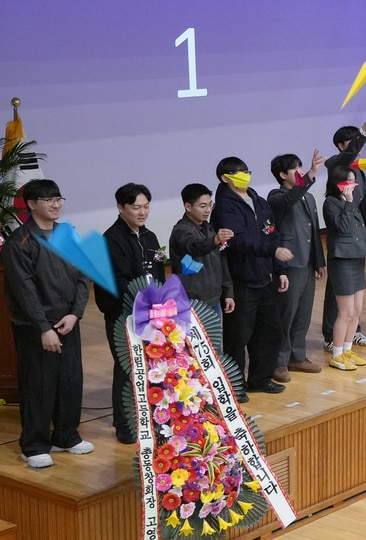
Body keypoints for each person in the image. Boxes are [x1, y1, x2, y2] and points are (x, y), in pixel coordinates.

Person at [4, 180, 91, 469]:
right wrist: (44, 327)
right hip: (35, 327)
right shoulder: (20, 243)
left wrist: (75, 314)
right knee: (38, 384)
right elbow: (24, 291)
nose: (56, 204)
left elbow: (82, 276)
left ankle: (66, 436)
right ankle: (35, 445)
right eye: (48, 200)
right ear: (31, 204)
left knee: (70, 381)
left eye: (58, 199)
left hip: (68, 322)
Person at [213, 157, 292, 396]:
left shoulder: (258, 200)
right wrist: (271, 250)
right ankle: (235, 385)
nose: (245, 176)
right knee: (238, 336)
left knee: (269, 331)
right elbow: (239, 241)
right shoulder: (225, 207)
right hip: (242, 279)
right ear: (225, 178)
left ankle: (260, 378)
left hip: (265, 276)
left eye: (247, 171)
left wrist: (279, 269)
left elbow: (271, 234)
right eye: (239, 173)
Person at [96, 182, 164, 442]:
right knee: (127, 368)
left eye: (146, 206)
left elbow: (158, 271)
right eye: (136, 207)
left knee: (152, 367)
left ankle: (152, 417)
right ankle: (124, 424)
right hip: (123, 315)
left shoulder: (150, 236)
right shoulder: (111, 239)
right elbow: (119, 281)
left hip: (151, 315)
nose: (142, 212)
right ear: (120, 207)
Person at [321, 120, 366, 351]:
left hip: (358, 232)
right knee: (337, 291)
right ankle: (330, 336)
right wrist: (364, 132)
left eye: (359, 138)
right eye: (352, 140)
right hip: (342, 240)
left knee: (353, 293)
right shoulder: (336, 164)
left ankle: (351, 334)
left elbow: (362, 205)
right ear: (340, 145)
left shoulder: (357, 169)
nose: (358, 145)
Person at [268, 151, 326, 380]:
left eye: (302, 167)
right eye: (296, 169)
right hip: (289, 263)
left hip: (308, 261)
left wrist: (319, 261)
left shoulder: (308, 197)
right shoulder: (276, 196)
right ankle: (278, 361)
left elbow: (314, 230)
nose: (300, 172)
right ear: (283, 174)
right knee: (286, 313)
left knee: (303, 313)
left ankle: (297, 356)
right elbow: (290, 199)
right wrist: (311, 174)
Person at [168, 183, 234, 347]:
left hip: (213, 298)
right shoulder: (181, 231)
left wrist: (228, 291)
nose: (207, 210)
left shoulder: (208, 227)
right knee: (197, 349)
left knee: (215, 348)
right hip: (192, 301)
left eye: (210, 205)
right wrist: (215, 240)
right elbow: (196, 247)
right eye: (202, 206)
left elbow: (221, 261)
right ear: (188, 206)